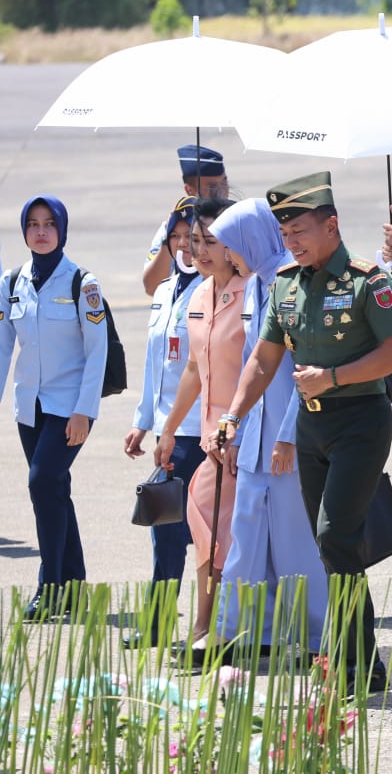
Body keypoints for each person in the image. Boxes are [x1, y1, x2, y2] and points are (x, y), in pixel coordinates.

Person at [219, 171, 392, 692]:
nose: (292, 242)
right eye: (284, 234)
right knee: (333, 547)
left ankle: (351, 661)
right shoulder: (285, 284)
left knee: (334, 536)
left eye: (300, 230)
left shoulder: (367, 281)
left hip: (360, 421)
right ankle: (359, 662)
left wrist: (332, 376)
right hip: (312, 426)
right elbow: (262, 360)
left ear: (331, 225)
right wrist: (233, 416)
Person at [209, 198, 328, 659]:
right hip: (257, 440)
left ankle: (318, 639)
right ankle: (247, 633)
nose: (229, 256)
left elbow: (307, 365)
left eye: (232, 245)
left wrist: (289, 434)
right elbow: (251, 364)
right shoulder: (257, 284)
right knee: (248, 540)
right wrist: (235, 428)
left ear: (253, 239)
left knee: (297, 547)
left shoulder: (293, 282)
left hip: (289, 441)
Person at [0, 195, 107, 619]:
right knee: (55, 490)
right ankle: (74, 587)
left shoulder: (83, 283)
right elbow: (3, 348)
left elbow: (97, 353)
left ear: (62, 229)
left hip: (69, 406)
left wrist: (85, 411)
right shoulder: (12, 282)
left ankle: (50, 585)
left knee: (42, 482)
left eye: (49, 224)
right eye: (33, 224)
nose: (41, 231)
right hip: (30, 406)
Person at [154, 196, 244, 656]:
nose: (199, 250)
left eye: (210, 240)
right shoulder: (199, 294)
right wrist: (169, 428)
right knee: (206, 525)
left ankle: (216, 627)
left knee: (221, 530)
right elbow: (193, 367)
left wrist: (242, 429)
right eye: (194, 240)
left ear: (233, 243)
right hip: (211, 437)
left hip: (246, 437)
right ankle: (208, 626)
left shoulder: (254, 293)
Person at [123, 196, 205, 647]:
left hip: (196, 429)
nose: (184, 245)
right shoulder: (164, 290)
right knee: (166, 526)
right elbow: (156, 364)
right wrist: (143, 421)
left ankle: (175, 623)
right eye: (176, 237)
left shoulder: (212, 292)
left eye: (192, 237)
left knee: (175, 527)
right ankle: (160, 623)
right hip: (167, 429)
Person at [143, 145, 231, 295]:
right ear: (190, 190)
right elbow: (152, 287)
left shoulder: (238, 222)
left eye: (224, 183)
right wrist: (171, 237)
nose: (222, 191)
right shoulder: (174, 226)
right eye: (212, 186)